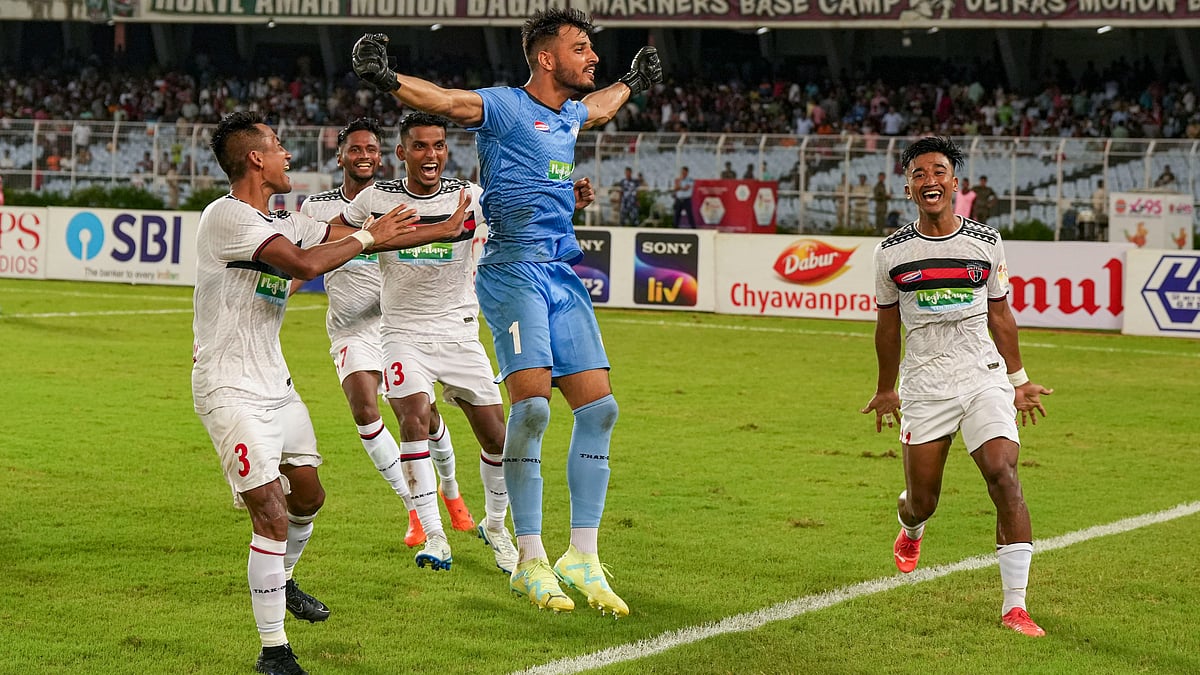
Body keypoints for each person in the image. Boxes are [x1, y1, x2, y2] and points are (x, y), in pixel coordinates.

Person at [351, 7, 663, 616]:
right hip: (513, 270)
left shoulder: (573, 112)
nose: (590, 58)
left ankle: (582, 555)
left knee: (600, 410)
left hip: (561, 272)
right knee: (535, 409)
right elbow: (447, 102)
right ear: (546, 58)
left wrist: (633, 83)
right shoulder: (504, 106)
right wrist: (386, 80)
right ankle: (528, 558)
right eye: (580, 49)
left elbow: (600, 107)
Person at [192, 110, 468, 675]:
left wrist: (437, 229)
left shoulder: (280, 216)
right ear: (254, 159)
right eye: (278, 146)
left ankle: (284, 581)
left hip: (276, 382)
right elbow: (302, 262)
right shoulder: (226, 217)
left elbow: (341, 237)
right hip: (229, 387)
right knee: (268, 514)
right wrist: (371, 234)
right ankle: (274, 651)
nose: (287, 155)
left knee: (309, 499)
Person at [860, 136, 1053, 639]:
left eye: (939, 171)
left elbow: (1000, 314)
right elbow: (886, 326)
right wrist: (886, 389)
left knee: (1003, 473)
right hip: (925, 384)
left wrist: (1019, 380)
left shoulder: (986, 242)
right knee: (923, 500)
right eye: (919, 173)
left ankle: (1016, 606)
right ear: (908, 187)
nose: (930, 180)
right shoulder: (891, 253)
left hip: (980, 373)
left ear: (954, 183)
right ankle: (911, 528)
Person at [334, 112, 520, 575]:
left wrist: (568, 198)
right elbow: (342, 236)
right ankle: (434, 536)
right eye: (420, 146)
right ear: (401, 153)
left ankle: (495, 526)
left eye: (438, 145)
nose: (431, 154)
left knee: (498, 436)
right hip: (401, 333)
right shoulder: (376, 200)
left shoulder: (469, 197)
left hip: (459, 331)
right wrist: (374, 237)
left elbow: (519, 210)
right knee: (413, 419)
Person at [298, 117, 482, 571]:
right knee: (364, 407)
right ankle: (415, 509)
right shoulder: (317, 207)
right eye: (355, 149)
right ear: (339, 156)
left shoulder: (393, 200)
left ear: (385, 156)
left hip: (398, 323)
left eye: (372, 150)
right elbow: (304, 252)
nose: (365, 156)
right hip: (350, 326)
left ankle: (452, 493)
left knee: (425, 416)